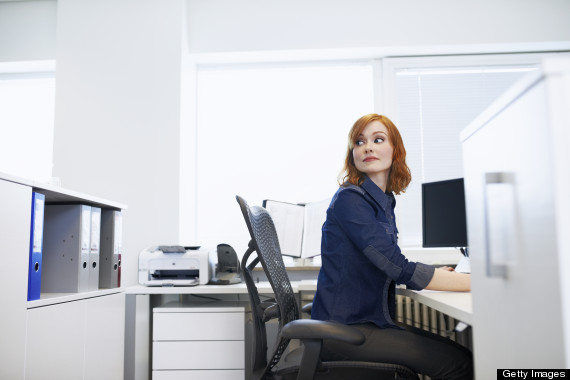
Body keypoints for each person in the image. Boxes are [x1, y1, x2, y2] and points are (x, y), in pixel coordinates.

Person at [311, 113, 473, 379]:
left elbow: (387, 259)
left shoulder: (382, 201)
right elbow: (397, 266)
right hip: (343, 330)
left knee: (463, 355)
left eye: (378, 139)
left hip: (366, 323)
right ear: (353, 154)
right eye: (359, 142)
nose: (368, 147)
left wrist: (440, 274)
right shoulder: (350, 199)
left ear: (395, 150)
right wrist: (475, 282)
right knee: (459, 365)